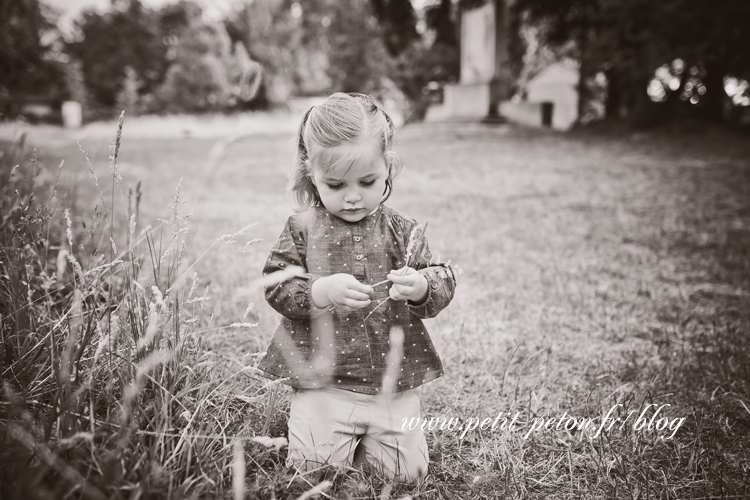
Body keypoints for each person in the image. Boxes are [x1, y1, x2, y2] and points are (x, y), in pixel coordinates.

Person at [258, 92, 456, 481]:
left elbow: (440, 277)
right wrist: (320, 291)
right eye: (335, 184)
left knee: (407, 474)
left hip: (391, 387)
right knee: (312, 471)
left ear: (388, 168)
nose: (352, 196)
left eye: (367, 181)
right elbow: (276, 284)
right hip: (323, 385)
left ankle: (374, 440)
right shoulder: (302, 229)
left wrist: (420, 286)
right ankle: (332, 433)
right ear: (311, 175)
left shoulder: (403, 230)